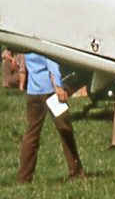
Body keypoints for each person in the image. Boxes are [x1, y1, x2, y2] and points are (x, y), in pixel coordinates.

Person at [19, 52, 85, 182]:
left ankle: (24, 176)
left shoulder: (27, 43)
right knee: (65, 130)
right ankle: (76, 171)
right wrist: (58, 87)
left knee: (31, 134)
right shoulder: (43, 40)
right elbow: (52, 63)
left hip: (33, 90)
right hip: (50, 91)